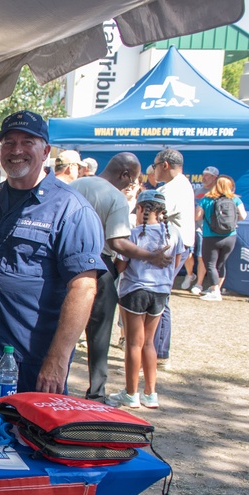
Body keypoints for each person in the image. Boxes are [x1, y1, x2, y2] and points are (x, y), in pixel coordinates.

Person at [0, 110, 105, 399]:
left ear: (46, 150)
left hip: (33, 360)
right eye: (8, 142)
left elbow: (84, 286)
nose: (16, 150)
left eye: (27, 142)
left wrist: (58, 359)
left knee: (29, 440)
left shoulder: (71, 209)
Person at [71, 153, 172, 402]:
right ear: (125, 174)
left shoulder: (77, 185)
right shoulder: (115, 197)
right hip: (98, 262)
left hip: (66, 259)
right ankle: (96, 391)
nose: (131, 185)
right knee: (100, 331)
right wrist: (150, 256)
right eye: (132, 179)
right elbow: (117, 242)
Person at [108, 190, 185, 409]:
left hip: (135, 290)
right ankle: (151, 393)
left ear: (140, 209)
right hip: (160, 292)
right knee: (149, 342)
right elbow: (176, 263)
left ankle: (131, 393)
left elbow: (121, 266)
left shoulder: (133, 234)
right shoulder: (175, 234)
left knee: (133, 343)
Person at [152, 149, 195, 370]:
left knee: (159, 296)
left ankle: (158, 353)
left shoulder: (172, 188)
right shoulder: (182, 184)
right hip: (178, 245)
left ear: (165, 165)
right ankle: (157, 352)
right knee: (160, 296)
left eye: (155, 164)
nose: (154, 169)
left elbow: (156, 215)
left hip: (172, 247)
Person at [195, 174, 246, 302]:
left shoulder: (207, 199)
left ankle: (215, 291)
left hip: (210, 236)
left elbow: (197, 216)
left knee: (210, 264)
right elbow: (243, 216)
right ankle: (216, 288)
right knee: (221, 263)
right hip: (230, 236)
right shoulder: (235, 199)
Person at [186, 165, 220, 293]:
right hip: (191, 227)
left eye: (207, 175)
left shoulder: (216, 192)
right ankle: (190, 275)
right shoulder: (197, 190)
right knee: (188, 253)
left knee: (201, 256)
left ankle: (199, 284)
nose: (204, 177)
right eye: (203, 174)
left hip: (205, 229)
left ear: (214, 178)